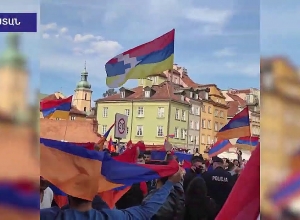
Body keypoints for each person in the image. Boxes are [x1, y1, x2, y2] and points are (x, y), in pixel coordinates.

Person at [40, 168, 184, 220]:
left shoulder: (48, 216)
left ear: (68, 193)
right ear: (95, 192)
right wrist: (169, 184)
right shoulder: (110, 217)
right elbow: (146, 211)